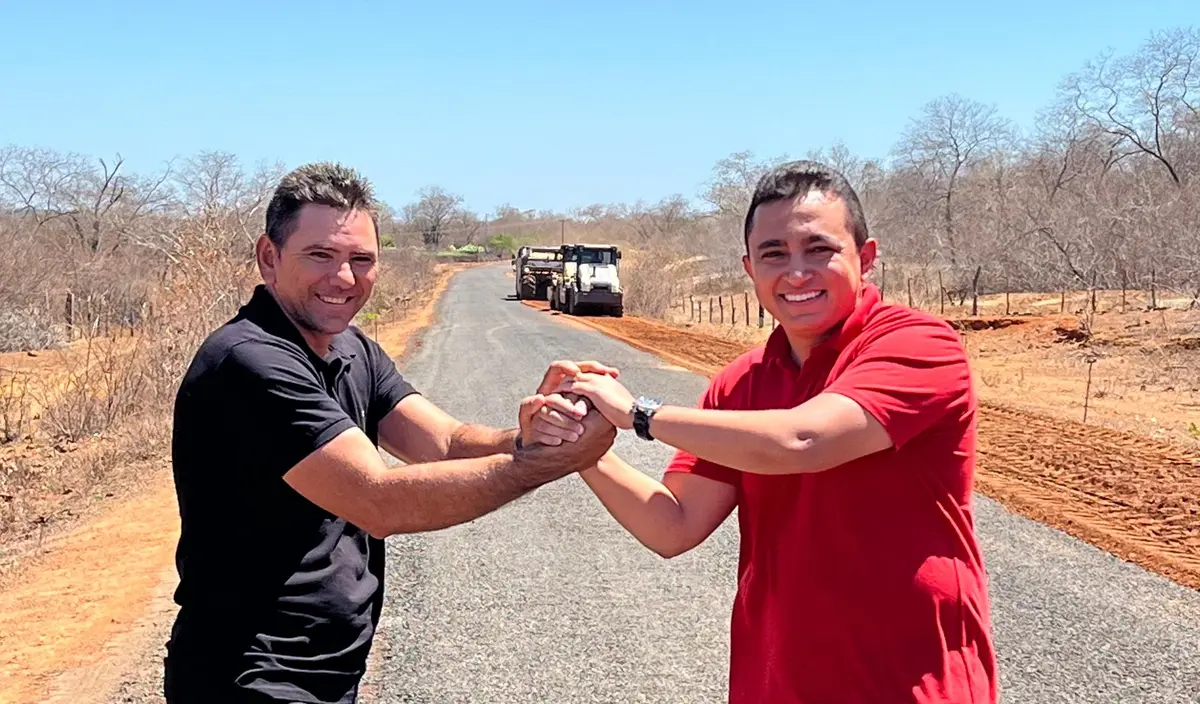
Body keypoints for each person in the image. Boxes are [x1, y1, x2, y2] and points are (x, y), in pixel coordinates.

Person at [534, 161, 998, 703]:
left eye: (819, 249)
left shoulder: (919, 343)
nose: (796, 273)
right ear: (750, 268)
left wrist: (638, 413)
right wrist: (582, 446)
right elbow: (673, 526)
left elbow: (803, 441)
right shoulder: (740, 385)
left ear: (866, 257)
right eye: (774, 254)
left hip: (912, 684)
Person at [164, 162, 616, 704]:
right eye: (320, 256)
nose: (344, 278)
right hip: (251, 673)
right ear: (269, 257)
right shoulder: (250, 361)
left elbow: (444, 442)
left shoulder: (352, 348)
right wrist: (545, 464)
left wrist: (530, 437)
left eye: (361, 260)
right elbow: (377, 501)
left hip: (326, 671)